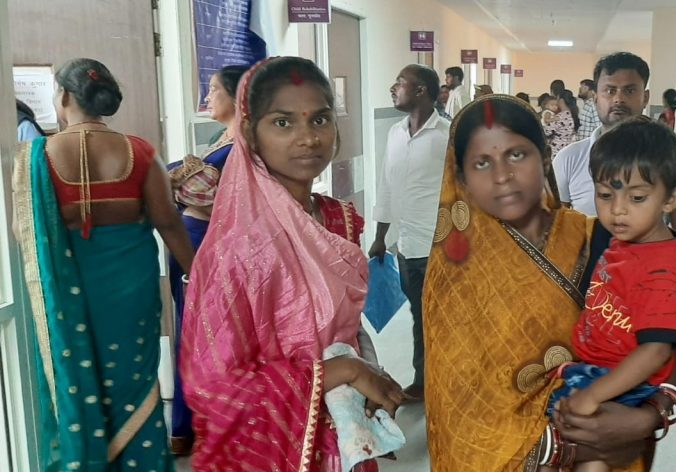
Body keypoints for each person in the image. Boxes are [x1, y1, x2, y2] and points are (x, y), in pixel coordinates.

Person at [423, 95, 676, 471]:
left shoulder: (604, 240)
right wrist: (559, 447)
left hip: (610, 441)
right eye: (482, 163)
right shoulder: (452, 278)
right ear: (462, 177)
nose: (502, 176)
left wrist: (647, 418)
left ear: (546, 157)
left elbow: (671, 346)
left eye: (517, 155)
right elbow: (456, 406)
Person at [180, 57, 404, 471]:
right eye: (283, 123)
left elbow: (347, 327)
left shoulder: (338, 218)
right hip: (275, 448)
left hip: (344, 431)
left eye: (320, 119)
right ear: (250, 132)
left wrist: (366, 371)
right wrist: (340, 372)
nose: (308, 138)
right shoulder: (236, 246)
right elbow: (214, 386)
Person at [12, 57, 194, 471]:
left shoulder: (38, 157)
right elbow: (169, 223)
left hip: (69, 295)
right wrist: (199, 277)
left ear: (63, 96)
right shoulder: (140, 152)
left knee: (77, 376)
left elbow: (26, 234)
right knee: (136, 382)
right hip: (131, 294)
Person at [543, 118, 676, 472]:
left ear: (671, 198)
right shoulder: (627, 243)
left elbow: (656, 350)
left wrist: (592, 396)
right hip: (595, 373)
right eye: (605, 195)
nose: (618, 209)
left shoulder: (661, 269)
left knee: (589, 457)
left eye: (637, 197)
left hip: (620, 385)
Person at [161, 63, 247, 456]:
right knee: (189, 326)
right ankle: (187, 426)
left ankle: (197, 426)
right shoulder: (222, 137)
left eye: (214, 89)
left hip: (209, 242)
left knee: (203, 330)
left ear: (238, 96)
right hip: (190, 235)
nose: (207, 97)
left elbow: (233, 203)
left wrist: (183, 189)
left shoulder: (246, 144)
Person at [554, 52, 676, 279]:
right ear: (595, 97)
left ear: (645, 97)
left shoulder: (669, 158)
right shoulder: (569, 159)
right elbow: (556, 233)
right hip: (584, 288)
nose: (618, 99)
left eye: (630, 90)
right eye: (609, 90)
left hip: (651, 285)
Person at [369, 64, 450, 402]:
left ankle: (439, 382)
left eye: (400, 82)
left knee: (439, 318)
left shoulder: (446, 135)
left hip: (440, 247)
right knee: (419, 315)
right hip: (406, 245)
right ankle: (425, 379)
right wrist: (380, 237)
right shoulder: (395, 133)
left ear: (420, 90)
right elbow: (387, 186)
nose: (393, 88)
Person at [544, 90, 580, 155]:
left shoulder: (560, 117)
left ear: (561, 100)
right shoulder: (572, 115)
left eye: (557, 99)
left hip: (557, 151)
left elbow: (546, 131)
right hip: (568, 150)